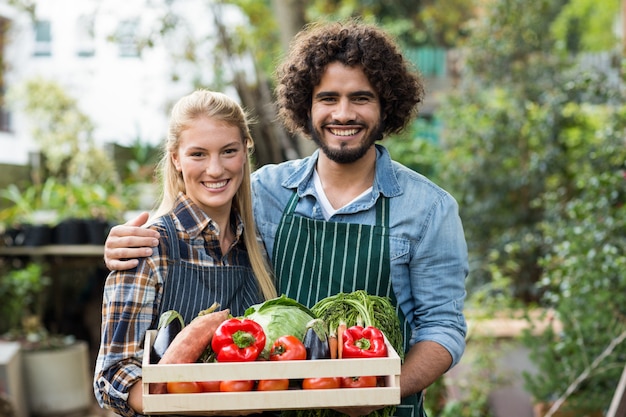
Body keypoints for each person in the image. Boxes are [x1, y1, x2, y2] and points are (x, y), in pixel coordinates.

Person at [104, 20, 468, 417]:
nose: (343, 114)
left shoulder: (429, 209)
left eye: (361, 98)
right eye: (328, 98)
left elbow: (442, 328)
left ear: (386, 106)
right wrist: (125, 244)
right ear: (306, 106)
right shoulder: (264, 192)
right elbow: (195, 219)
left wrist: (383, 389)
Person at [93, 89, 277, 417]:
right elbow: (112, 376)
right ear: (176, 158)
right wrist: (206, 406)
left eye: (229, 151)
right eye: (198, 154)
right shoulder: (149, 248)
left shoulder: (255, 247)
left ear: (245, 151)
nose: (216, 169)